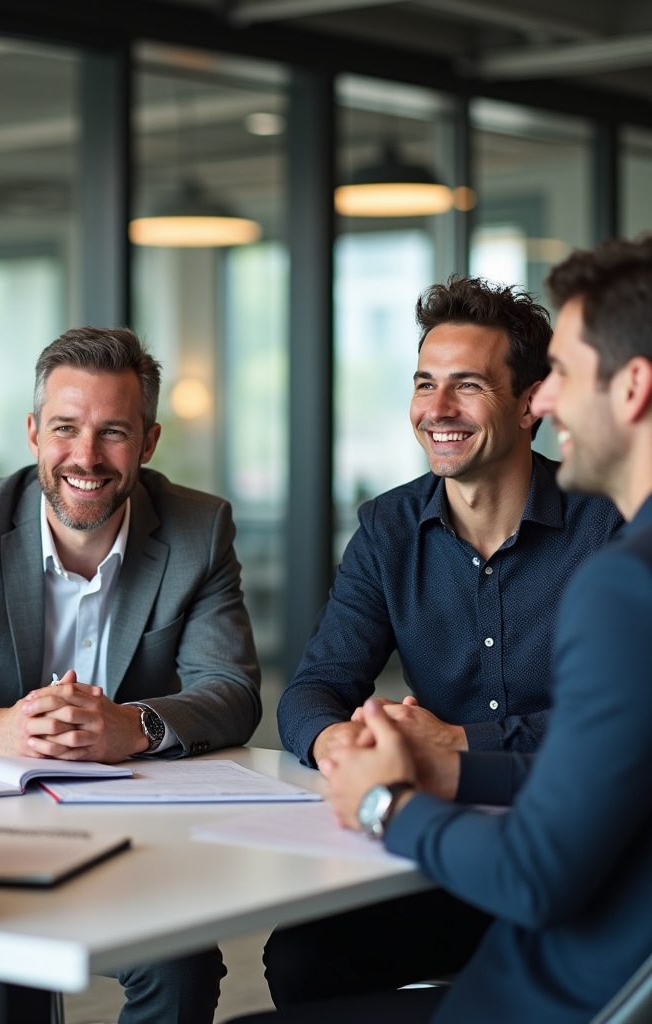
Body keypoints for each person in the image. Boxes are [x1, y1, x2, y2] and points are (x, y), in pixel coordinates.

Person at [231, 235, 652, 1023]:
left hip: (563, 896)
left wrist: (418, 777)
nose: (436, 409)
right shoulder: (388, 527)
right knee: (304, 953)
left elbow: (558, 832)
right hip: (520, 857)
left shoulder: (620, 555)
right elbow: (318, 684)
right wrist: (344, 748)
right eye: (425, 384)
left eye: (468, 385)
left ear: (530, 402)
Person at [0, 326, 261, 1024]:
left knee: (179, 972)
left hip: (141, 835)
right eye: (65, 428)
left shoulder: (200, 528)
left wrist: (132, 727)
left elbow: (231, 690)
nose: (86, 456)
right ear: (33, 433)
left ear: (148, 442)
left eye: (112, 432)